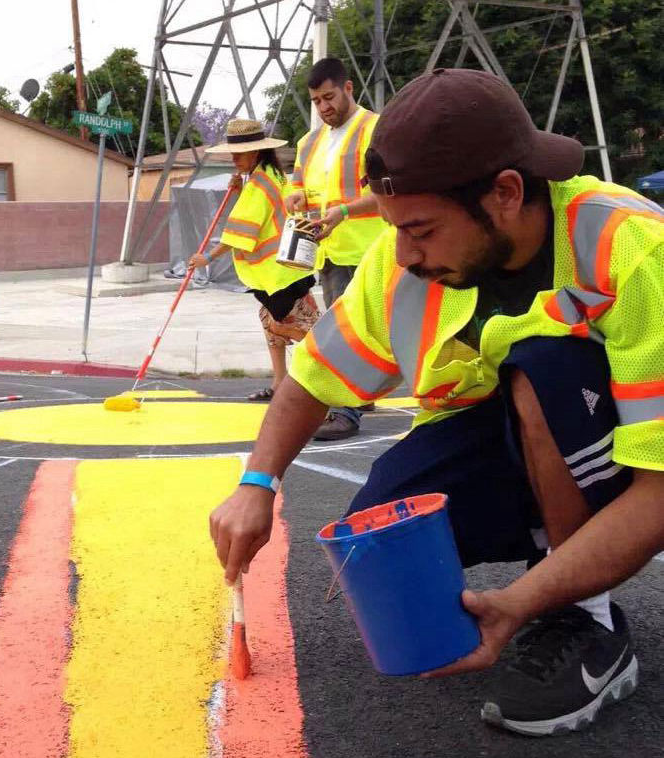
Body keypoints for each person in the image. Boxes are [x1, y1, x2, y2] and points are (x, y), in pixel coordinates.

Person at [209, 69, 663, 736]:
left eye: (420, 229)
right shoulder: (402, 265)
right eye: (393, 228)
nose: (404, 254)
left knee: (541, 364)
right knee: (380, 535)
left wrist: (520, 605)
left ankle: (586, 618)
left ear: (506, 193)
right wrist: (257, 483)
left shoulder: (626, 247)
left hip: (627, 454)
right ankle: (555, 551)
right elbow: (310, 377)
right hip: (522, 439)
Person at [285, 57, 388, 440]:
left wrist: (343, 211)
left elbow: (387, 189)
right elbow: (296, 184)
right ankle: (358, 397)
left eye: (329, 97)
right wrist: (295, 198)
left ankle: (346, 410)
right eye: (316, 101)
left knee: (348, 331)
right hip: (327, 252)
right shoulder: (308, 142)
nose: (324, 107)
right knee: (354, 330)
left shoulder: (375, 130)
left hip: (369, 249)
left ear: (348, 89)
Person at [188, 119, 320, 399]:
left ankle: (324, 381)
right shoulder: (272, 175)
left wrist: (207, 258)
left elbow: (241, 231)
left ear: (256, 152)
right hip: (285, 270)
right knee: (269, 320)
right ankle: (280, 382)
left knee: (297, 327)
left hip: (278, 273)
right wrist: (240, 188)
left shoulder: (260, 184)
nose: (234, 159)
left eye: (239, 154)